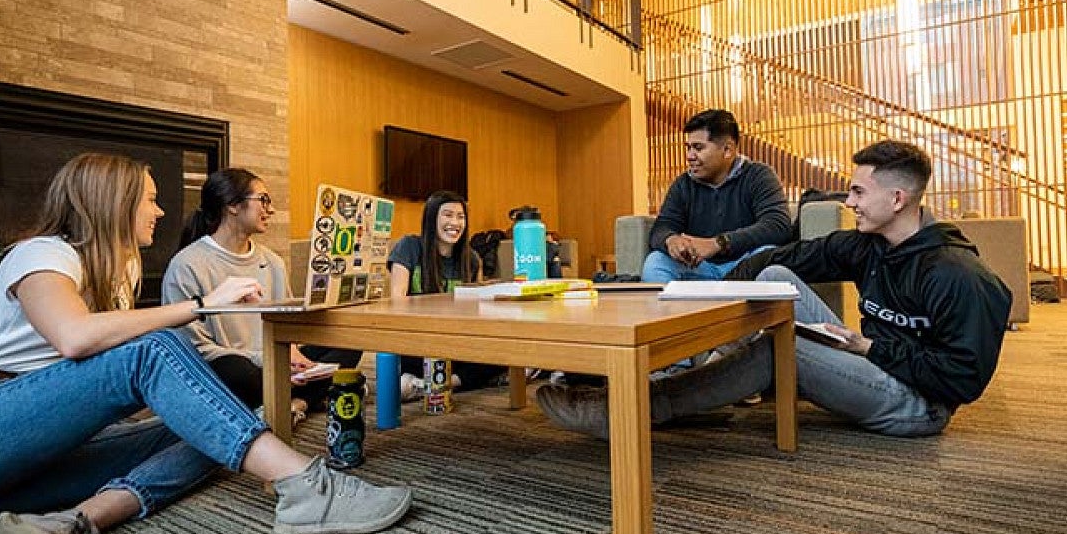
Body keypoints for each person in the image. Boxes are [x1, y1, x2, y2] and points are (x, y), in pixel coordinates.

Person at [0, 153, 411, 534]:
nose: (161, 212)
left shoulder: (117, 278)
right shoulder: (42, 254)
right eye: (152, 199)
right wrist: (202, 305)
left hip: (18, 468)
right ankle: (306, 488)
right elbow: (73, 339)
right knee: (155, 347)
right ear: (115, 203)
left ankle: (74, 522)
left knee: (214, 427)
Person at [537, 140, 1012, 439]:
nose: (848, 203)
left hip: (918, 404)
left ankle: (634, 408)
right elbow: (783, 259)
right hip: (872, 357)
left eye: (857, 193)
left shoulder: (958, 276)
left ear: (897, 199)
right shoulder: (868, 244)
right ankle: (696, 373)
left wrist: (867, 345)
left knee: (777, 349)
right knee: (771, 280)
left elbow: (962, 380)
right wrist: (721, 287)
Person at [162, 168, 362, 425]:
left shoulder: (273, 262)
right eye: (264, 200)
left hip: (279, 359)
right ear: (233, 206)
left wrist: (291, 351)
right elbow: (193, 349)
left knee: (348, 340)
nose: (271, 210)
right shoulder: (187, 265)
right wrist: (269, 358)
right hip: (236, 366)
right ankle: (309, 396)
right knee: (233, 370)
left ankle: (294, 403)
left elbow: (288, 325)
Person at [642, 108, 792, 282]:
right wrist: (671, 240)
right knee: (656, 262)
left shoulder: (759, 175)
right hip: (700, 266)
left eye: (698, 148)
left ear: (727, 150)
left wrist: (719, 243)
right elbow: (662, 227)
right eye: (688, 148)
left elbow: (778, 226)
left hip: (747, 265)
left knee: (769, 256)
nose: (690, 156)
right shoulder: (683, 185)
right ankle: (682, 310)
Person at [388, 190, 507, 400]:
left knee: (504, 353)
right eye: (448, 215)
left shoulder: (470, 258)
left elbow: (474, 313)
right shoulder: (409, 247)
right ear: (432, 218)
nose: (455, 222)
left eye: (461, 217)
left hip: (454, 342)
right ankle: (449, 381)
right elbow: (397, 302)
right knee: (400, 361)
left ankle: (436, 385)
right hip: (415, 342)